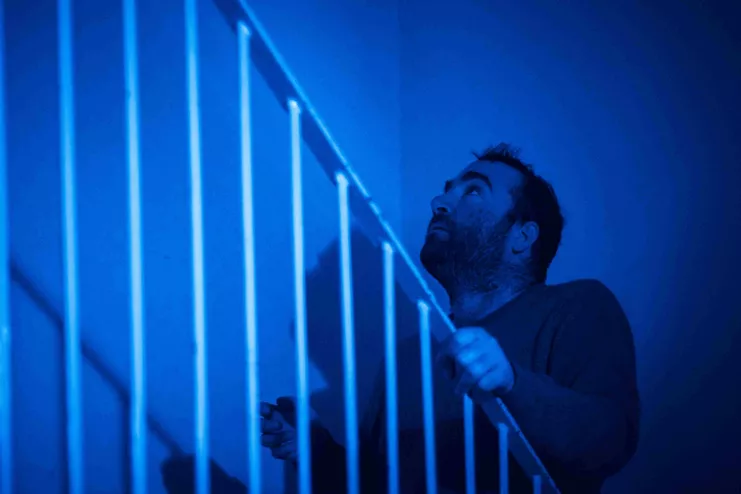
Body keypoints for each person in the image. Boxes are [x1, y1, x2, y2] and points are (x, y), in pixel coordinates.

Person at [162, 143, 640, 493]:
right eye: (447, 190)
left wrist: (511, 382)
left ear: (522, 237)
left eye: (474, 191)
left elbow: (610, 441)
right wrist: (316, 450)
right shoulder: (410, 355)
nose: (440, 202)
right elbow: (380, 483)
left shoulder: (577, 306)